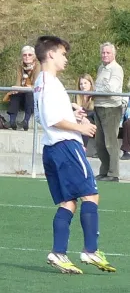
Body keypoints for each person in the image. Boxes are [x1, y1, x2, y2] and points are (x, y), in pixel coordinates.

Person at [33, 35, 116, 274]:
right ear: (50, 54)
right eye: (62, 53)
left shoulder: (40, 82)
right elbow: (52, 119)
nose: (65, 58)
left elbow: (43, 118)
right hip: (65, 146)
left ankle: (58, 253)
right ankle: (90, 251)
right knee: (91, 196)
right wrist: (80, 127)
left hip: (51, 148)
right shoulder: (49, 82)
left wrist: (73, 115)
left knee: (68, 202)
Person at [93, 42, 124, 182]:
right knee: (99, 143)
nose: (105, 55)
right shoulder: (101, 68)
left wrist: (94, 92)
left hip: (111, 108)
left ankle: (114, 173)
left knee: (110, 142)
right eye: (103, 52)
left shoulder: (116, 69)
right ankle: (104, 171)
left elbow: (112, 88)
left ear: (114, 54)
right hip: (98, 107)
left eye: (108, 53)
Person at [4, 45, 40, 131]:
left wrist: (25, 87)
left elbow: (35, 85)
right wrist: (16, 88)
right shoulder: (20, 66)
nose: (27, 57)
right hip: (23, 90)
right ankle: (12, 121)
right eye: (25, 55)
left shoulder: (38, 66)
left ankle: (26, 121)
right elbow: (18, 81)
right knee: (15, 93)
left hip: (33, 93)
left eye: (29, 55)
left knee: (29, 93)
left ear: (34, 56)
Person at [71, 74, 96, 155]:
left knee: (86, 123)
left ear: (90, 84)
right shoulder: (76, 96)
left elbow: (94, 113)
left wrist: (79, 108)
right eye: (81, 84)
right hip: (79, 120)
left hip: (92, 121)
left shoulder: (95, 97)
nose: (83, 86)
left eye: (85, 83)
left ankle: (83, 147)